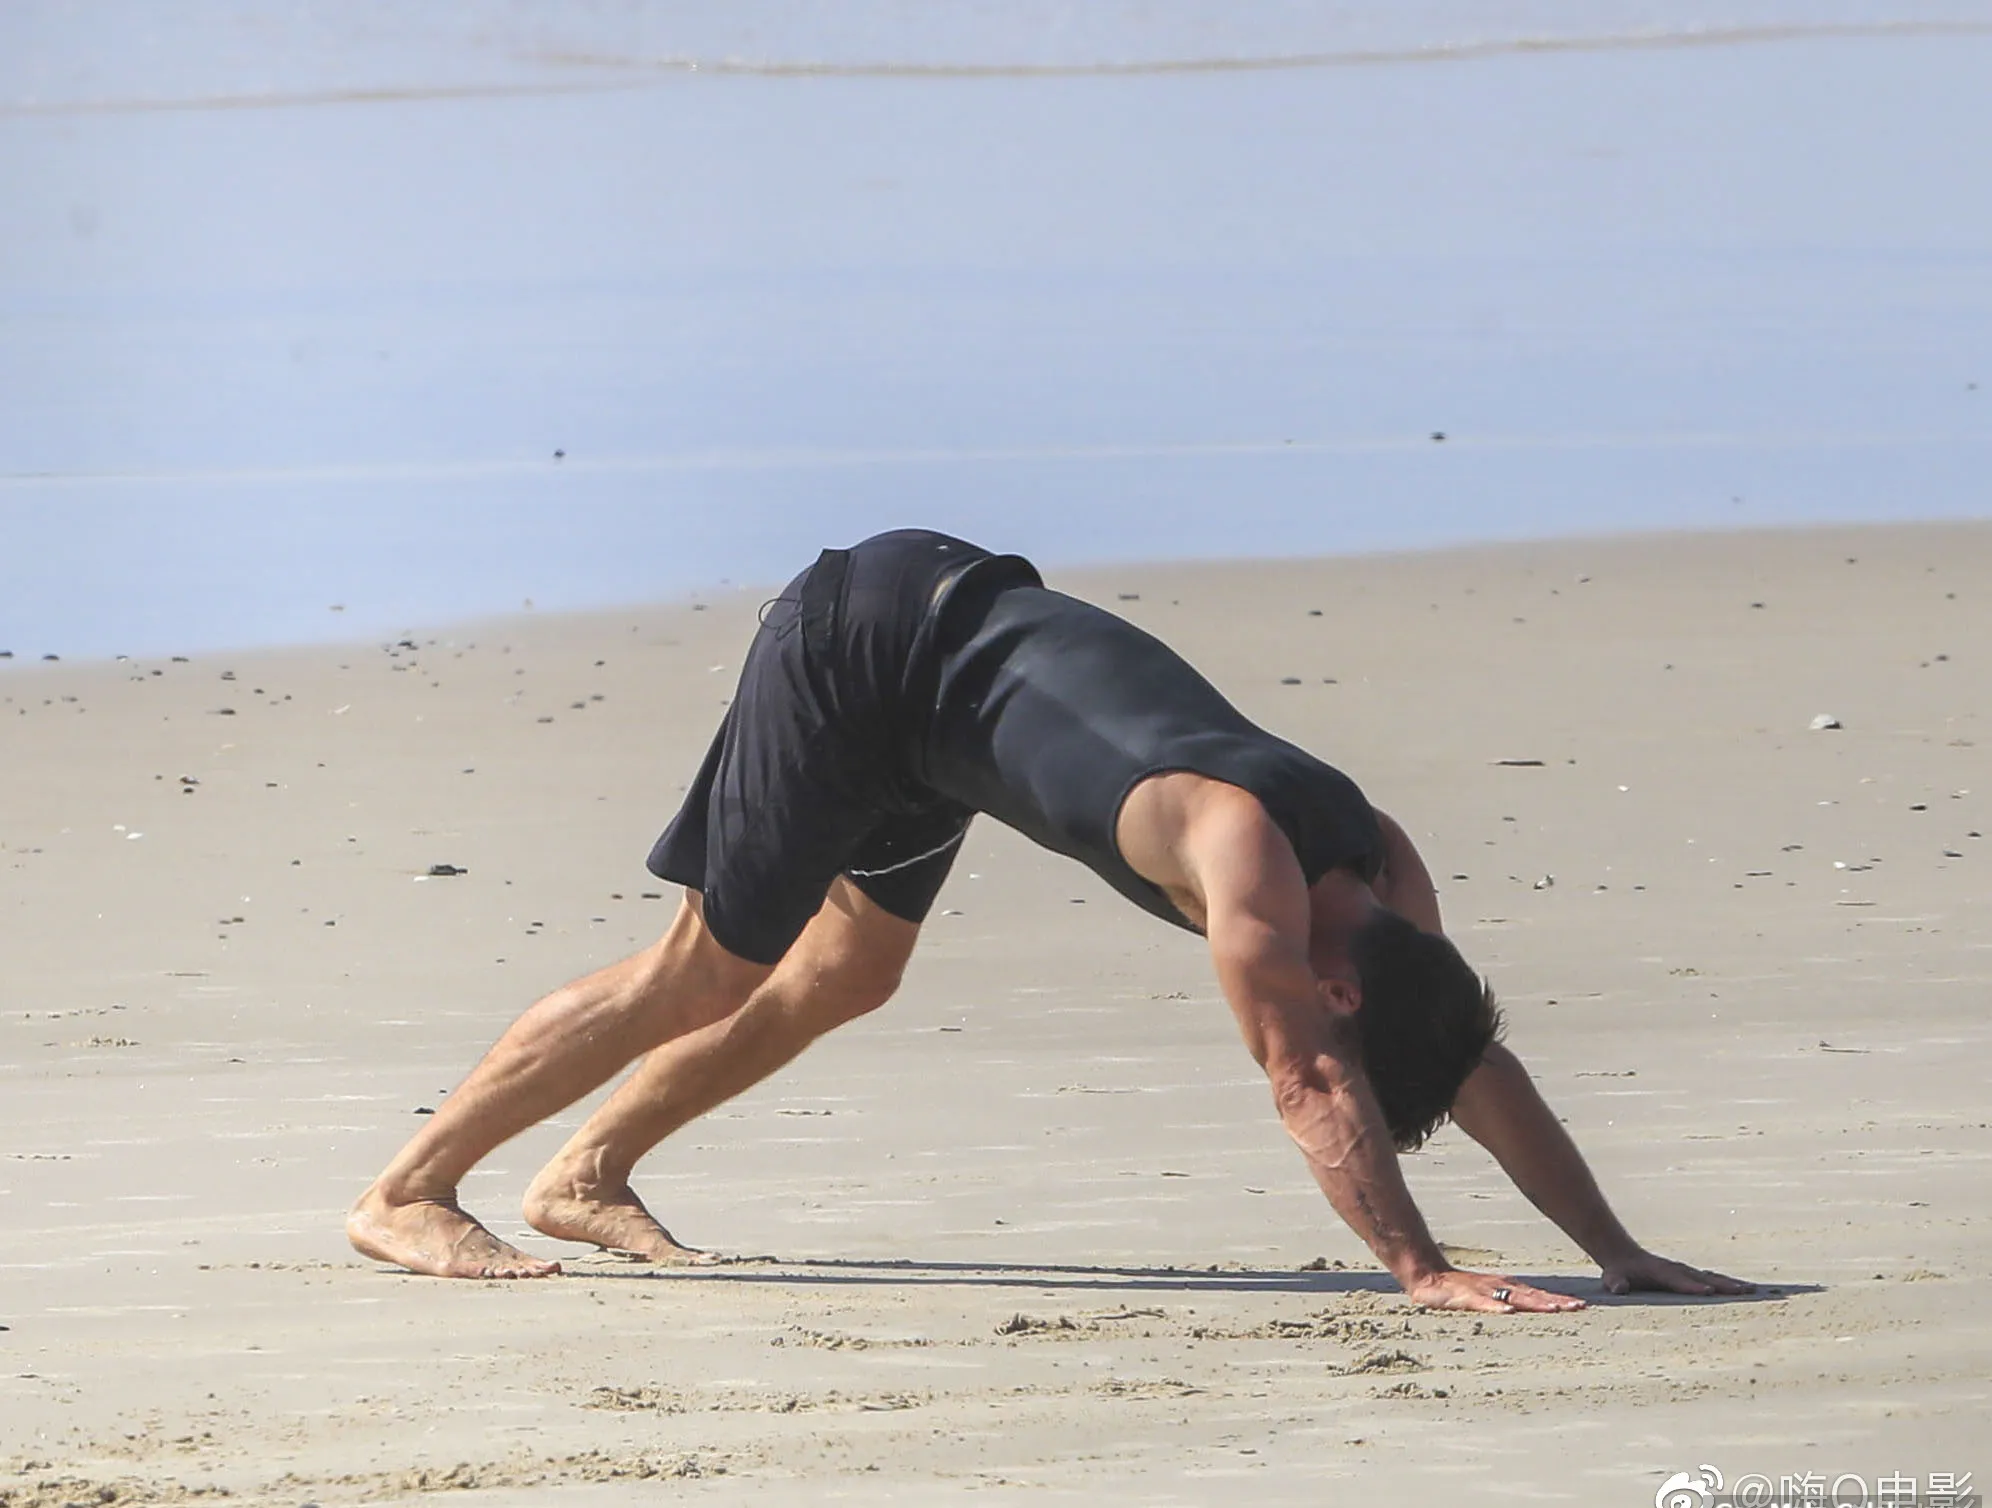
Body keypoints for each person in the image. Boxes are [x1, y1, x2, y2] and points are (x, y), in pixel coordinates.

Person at [348, 529, 1751, 1312]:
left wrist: (1609, 1246)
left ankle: (583, 1176)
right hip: (866, 653)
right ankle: (408, 1194)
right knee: (706, 972)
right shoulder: (1253, 868)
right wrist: (1420, 1269)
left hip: (949, 696)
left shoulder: (1386, 887)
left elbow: (1467, 1060)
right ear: (1340, 990)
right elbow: (1308, 1084)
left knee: (850, 974)